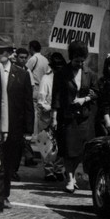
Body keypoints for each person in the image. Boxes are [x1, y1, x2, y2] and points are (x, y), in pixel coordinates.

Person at [0, 35, 34, 214]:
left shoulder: (21, 74)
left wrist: (29, 130)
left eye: (3, 51)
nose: (0, 55)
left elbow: (28, 103)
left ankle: (4, 195)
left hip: (14, 126)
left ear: (10, 53)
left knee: (9, 163)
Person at [51, 41, 99, 193]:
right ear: (71, 57)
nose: (79, 63)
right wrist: (53, 116)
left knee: (79, 150)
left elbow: (95, 92)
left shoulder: (90, 74)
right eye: (77, 60)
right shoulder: (61, 73)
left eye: (82, 61)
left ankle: (70, 173)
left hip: (83, 118)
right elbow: (56, 96)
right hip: (66, 116)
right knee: (67, 149)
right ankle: (70, 178)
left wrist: (84, 99)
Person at [37, 52, 67, 182]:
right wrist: (51, 108)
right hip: (47, 116)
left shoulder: (66, 78)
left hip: (62, 116)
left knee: (61, 143)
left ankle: (59, 169)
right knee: (48, 144)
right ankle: (48, 170)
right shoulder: (46, 79)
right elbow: (41, 101)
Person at [13, 46, 37, 168]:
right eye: (21, 57)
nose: (23, 60)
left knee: (20, 143)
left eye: (25, 58)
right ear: (16, 57)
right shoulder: (12, 69)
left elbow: (29, 92)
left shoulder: (27, 72)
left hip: (21, 111)